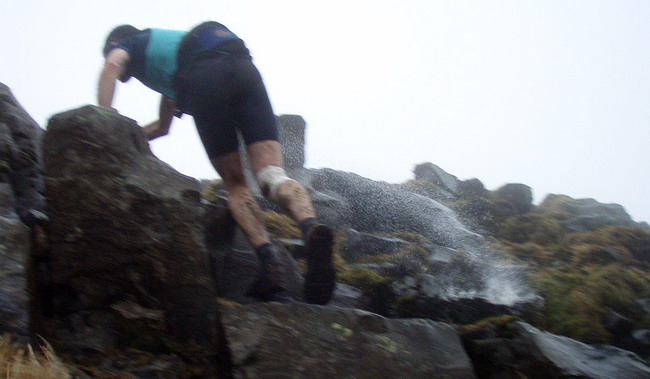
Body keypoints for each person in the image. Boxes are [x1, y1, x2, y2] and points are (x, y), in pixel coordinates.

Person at [98, 22, 335, 304]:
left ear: (116, 42)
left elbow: (112, 66)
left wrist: (104, 120)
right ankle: (311, 228)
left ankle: (270, 267)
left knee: (236, 186)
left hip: (206, 80)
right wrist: (132, 138)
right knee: (272, 176)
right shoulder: (176, 53)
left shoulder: (134, 41)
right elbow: (163, 127)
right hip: (244, 71)